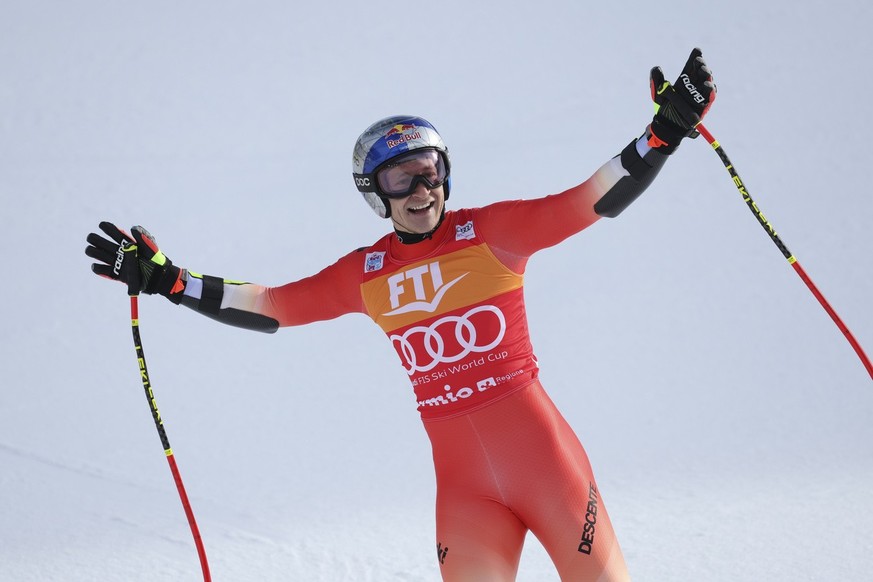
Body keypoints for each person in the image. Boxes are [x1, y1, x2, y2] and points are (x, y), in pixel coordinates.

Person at [86, 48, 716, 581]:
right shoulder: (366, 276)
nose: (422, 191)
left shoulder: (491, 234)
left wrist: (659, 139)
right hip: (467, 492)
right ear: (374, 195)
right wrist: (173, 283)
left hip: (547, 467)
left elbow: (590, 199)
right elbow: (271, 306)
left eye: (431, 172)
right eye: (401, 181)